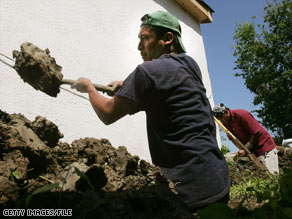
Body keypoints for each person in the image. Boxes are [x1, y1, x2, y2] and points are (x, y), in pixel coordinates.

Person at [71, 11, 230, 212]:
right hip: (218, 179)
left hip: (189, 192)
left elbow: (107, 113)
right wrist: (125, 85)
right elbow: (166, 87)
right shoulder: (190, 65)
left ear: (167, 39)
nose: (139, 47)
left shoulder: (146, 73)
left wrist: (89, 88)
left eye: (145, 39)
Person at [213, 103, 279, 174]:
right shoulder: (226, 123)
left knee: (272, 175)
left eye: (221, 117)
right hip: (253, 152)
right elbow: (233, 139)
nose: (221, 121)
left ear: (226, 112)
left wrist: (245, 149)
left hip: (265, 148)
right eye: (219, 119)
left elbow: (257, 133)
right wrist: (242, 149)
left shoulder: (241, 114)